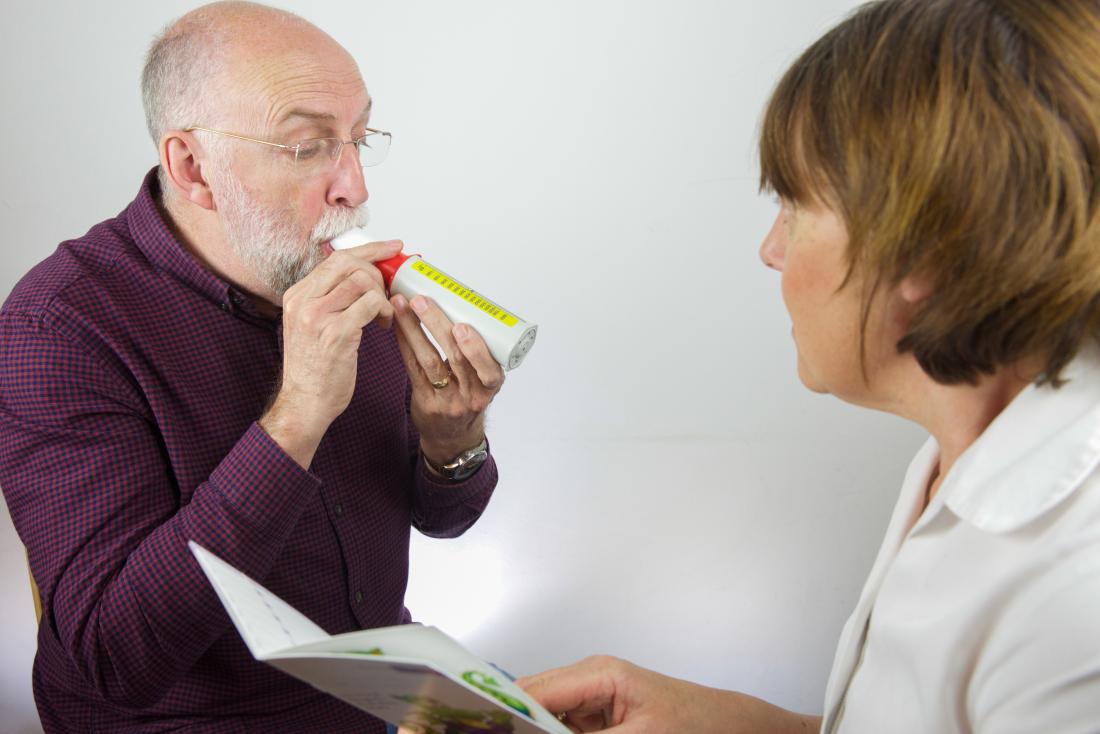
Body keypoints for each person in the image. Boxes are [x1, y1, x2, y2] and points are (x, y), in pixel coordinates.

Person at [518, 1, 1100, 731]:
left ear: (925, 248)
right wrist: (723, 723)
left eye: (794, 206)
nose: (771, 249)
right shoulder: (963, 456)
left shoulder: (1078, 592)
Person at [0, 2, 506, 732]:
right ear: (192, 167)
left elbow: (445, 519)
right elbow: (119, 658)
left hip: (385, 698)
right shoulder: (60, 327)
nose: (355, 187)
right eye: (308, 147)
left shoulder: (340, 277)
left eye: (359, 138)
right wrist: (297, 415)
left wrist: (452, 446)